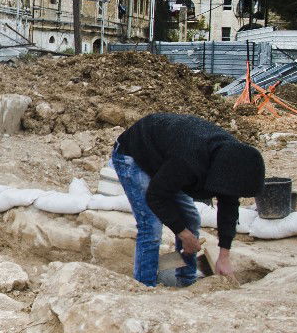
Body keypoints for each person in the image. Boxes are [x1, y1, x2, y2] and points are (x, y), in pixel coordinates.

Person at [111, 112, 265, 287]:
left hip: (167, 156)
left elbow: (229, 206)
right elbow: (155, 196)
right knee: (151, 225)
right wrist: (183, 234)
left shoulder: (233, 161)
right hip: (134, 152)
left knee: (191, 218)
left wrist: (224, 256)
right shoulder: (189, 162)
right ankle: (145, 286)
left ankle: (186, 279)